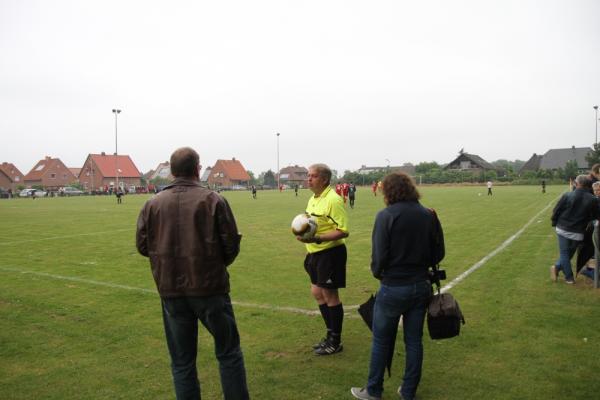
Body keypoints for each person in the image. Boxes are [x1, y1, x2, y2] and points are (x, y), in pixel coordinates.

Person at [136, 147, 249, 400]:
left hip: (172, 290)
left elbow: (143, 246)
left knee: (182, 361)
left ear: (172, 171)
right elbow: (230, 244)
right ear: (198, 168)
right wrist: (213, 265)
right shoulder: (212, 199)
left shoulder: (153, 203)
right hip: (209, 288)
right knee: (228, 353)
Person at [351, 172, 441, 400]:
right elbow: (439, 252)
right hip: (421, 285)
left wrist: (378, 273)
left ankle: (373, 390)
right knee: (414, 341)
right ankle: (408, 391)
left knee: (381, 340)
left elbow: (379, 256)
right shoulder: (428, 214)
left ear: (388, 191)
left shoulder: (386, 215)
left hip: (394, 286)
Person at [297, 163, 349, 355]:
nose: (308, 179)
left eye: (313, 176)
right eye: (308, 175)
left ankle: (335, 341)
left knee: (330, 295)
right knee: (317, 293)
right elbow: (312, 224)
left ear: (325, 179)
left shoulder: (333, 200)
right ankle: (329, 334)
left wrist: (317, 238)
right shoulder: (313, 198)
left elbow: (343, 231)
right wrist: (303, 230)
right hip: (314, 253)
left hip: (330, 254)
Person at [550, 174, 600, 284]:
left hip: (563, 229)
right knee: (567, 254)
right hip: (578, 232)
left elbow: (556, 210)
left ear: (577, 184)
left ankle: (563, 273)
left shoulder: (567, 195)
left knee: (565, 254)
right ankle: (567, 276)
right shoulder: (593, 199)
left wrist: (554, 222)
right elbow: (596, 215)